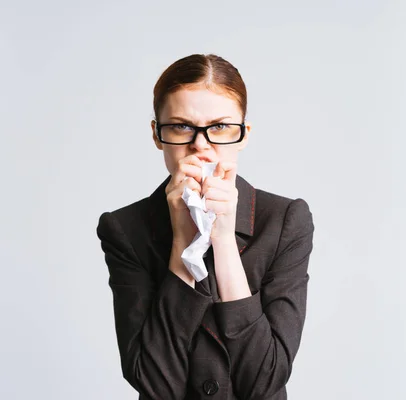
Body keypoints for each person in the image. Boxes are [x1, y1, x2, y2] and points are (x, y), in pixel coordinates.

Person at [96, 53, 315, 400]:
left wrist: (224, 240)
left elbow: (264, 381)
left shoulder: (285, 221)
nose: (201, 144)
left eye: (220, 127)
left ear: (243, 134)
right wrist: (183, 242)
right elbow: (154, 384)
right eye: (181, 126)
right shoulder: (125, 229)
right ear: (157, 134)